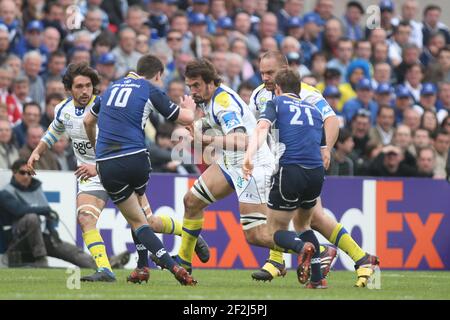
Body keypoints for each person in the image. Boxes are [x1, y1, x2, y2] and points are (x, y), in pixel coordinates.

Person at [27, 62, 208, 283]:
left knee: (148, 224)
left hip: (109, 167)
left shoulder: (108, 106)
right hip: (91, 175)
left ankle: (188, 233)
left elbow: (115, 145)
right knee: (85, 218)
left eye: (88, 86)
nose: (85, 91)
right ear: (69, 89)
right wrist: (36, 152)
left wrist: (98, 165)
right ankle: (105, 269)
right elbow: (54, 131)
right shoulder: (63, 110)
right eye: (79, 87)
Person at [248, 51, 379, 287]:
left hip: (297, 162)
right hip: (284, 163)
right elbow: (254, 127)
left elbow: (330, 120)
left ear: (284, 70)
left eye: (270, 73)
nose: (265, 77)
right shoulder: (258, 95)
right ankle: (346, 262)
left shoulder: (305, 93)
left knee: (304, 220)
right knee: (304, 220)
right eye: (262, 73)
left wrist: (326, 148)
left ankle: (356, 257)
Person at [84, 54, 198, 286]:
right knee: (141, 216)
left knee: (137, 221)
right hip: (137, 158)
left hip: (109, 161)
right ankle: (143, 266)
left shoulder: (110, 89)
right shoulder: (148, 88)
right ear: (157, 75)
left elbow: (87, 121)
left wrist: (97, 151)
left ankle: (172, 266)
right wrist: (189, 107)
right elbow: (184, 118)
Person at [243, 68, 327, 288]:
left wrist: (249, 156)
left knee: (273, 231)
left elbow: (262, 128)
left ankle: (301, 249)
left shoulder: (276, 103)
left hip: (290, 170)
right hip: (316, 173)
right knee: (304, 224)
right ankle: (317, 279)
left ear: (277, 88)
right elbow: (323, 148)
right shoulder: (314, 109)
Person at [0, 159, 128, 269]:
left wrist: (52, 231)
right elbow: (19, 210)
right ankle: (40, 259)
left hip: (38, 237)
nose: (26, 176)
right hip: (15, 240)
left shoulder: (35, 187)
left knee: (70, 250)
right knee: (31, 217)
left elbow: (48, 214)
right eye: (22, 173)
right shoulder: (6, 193)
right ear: (14, 173)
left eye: (29, 173)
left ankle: (105, 264)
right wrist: (44, 210)